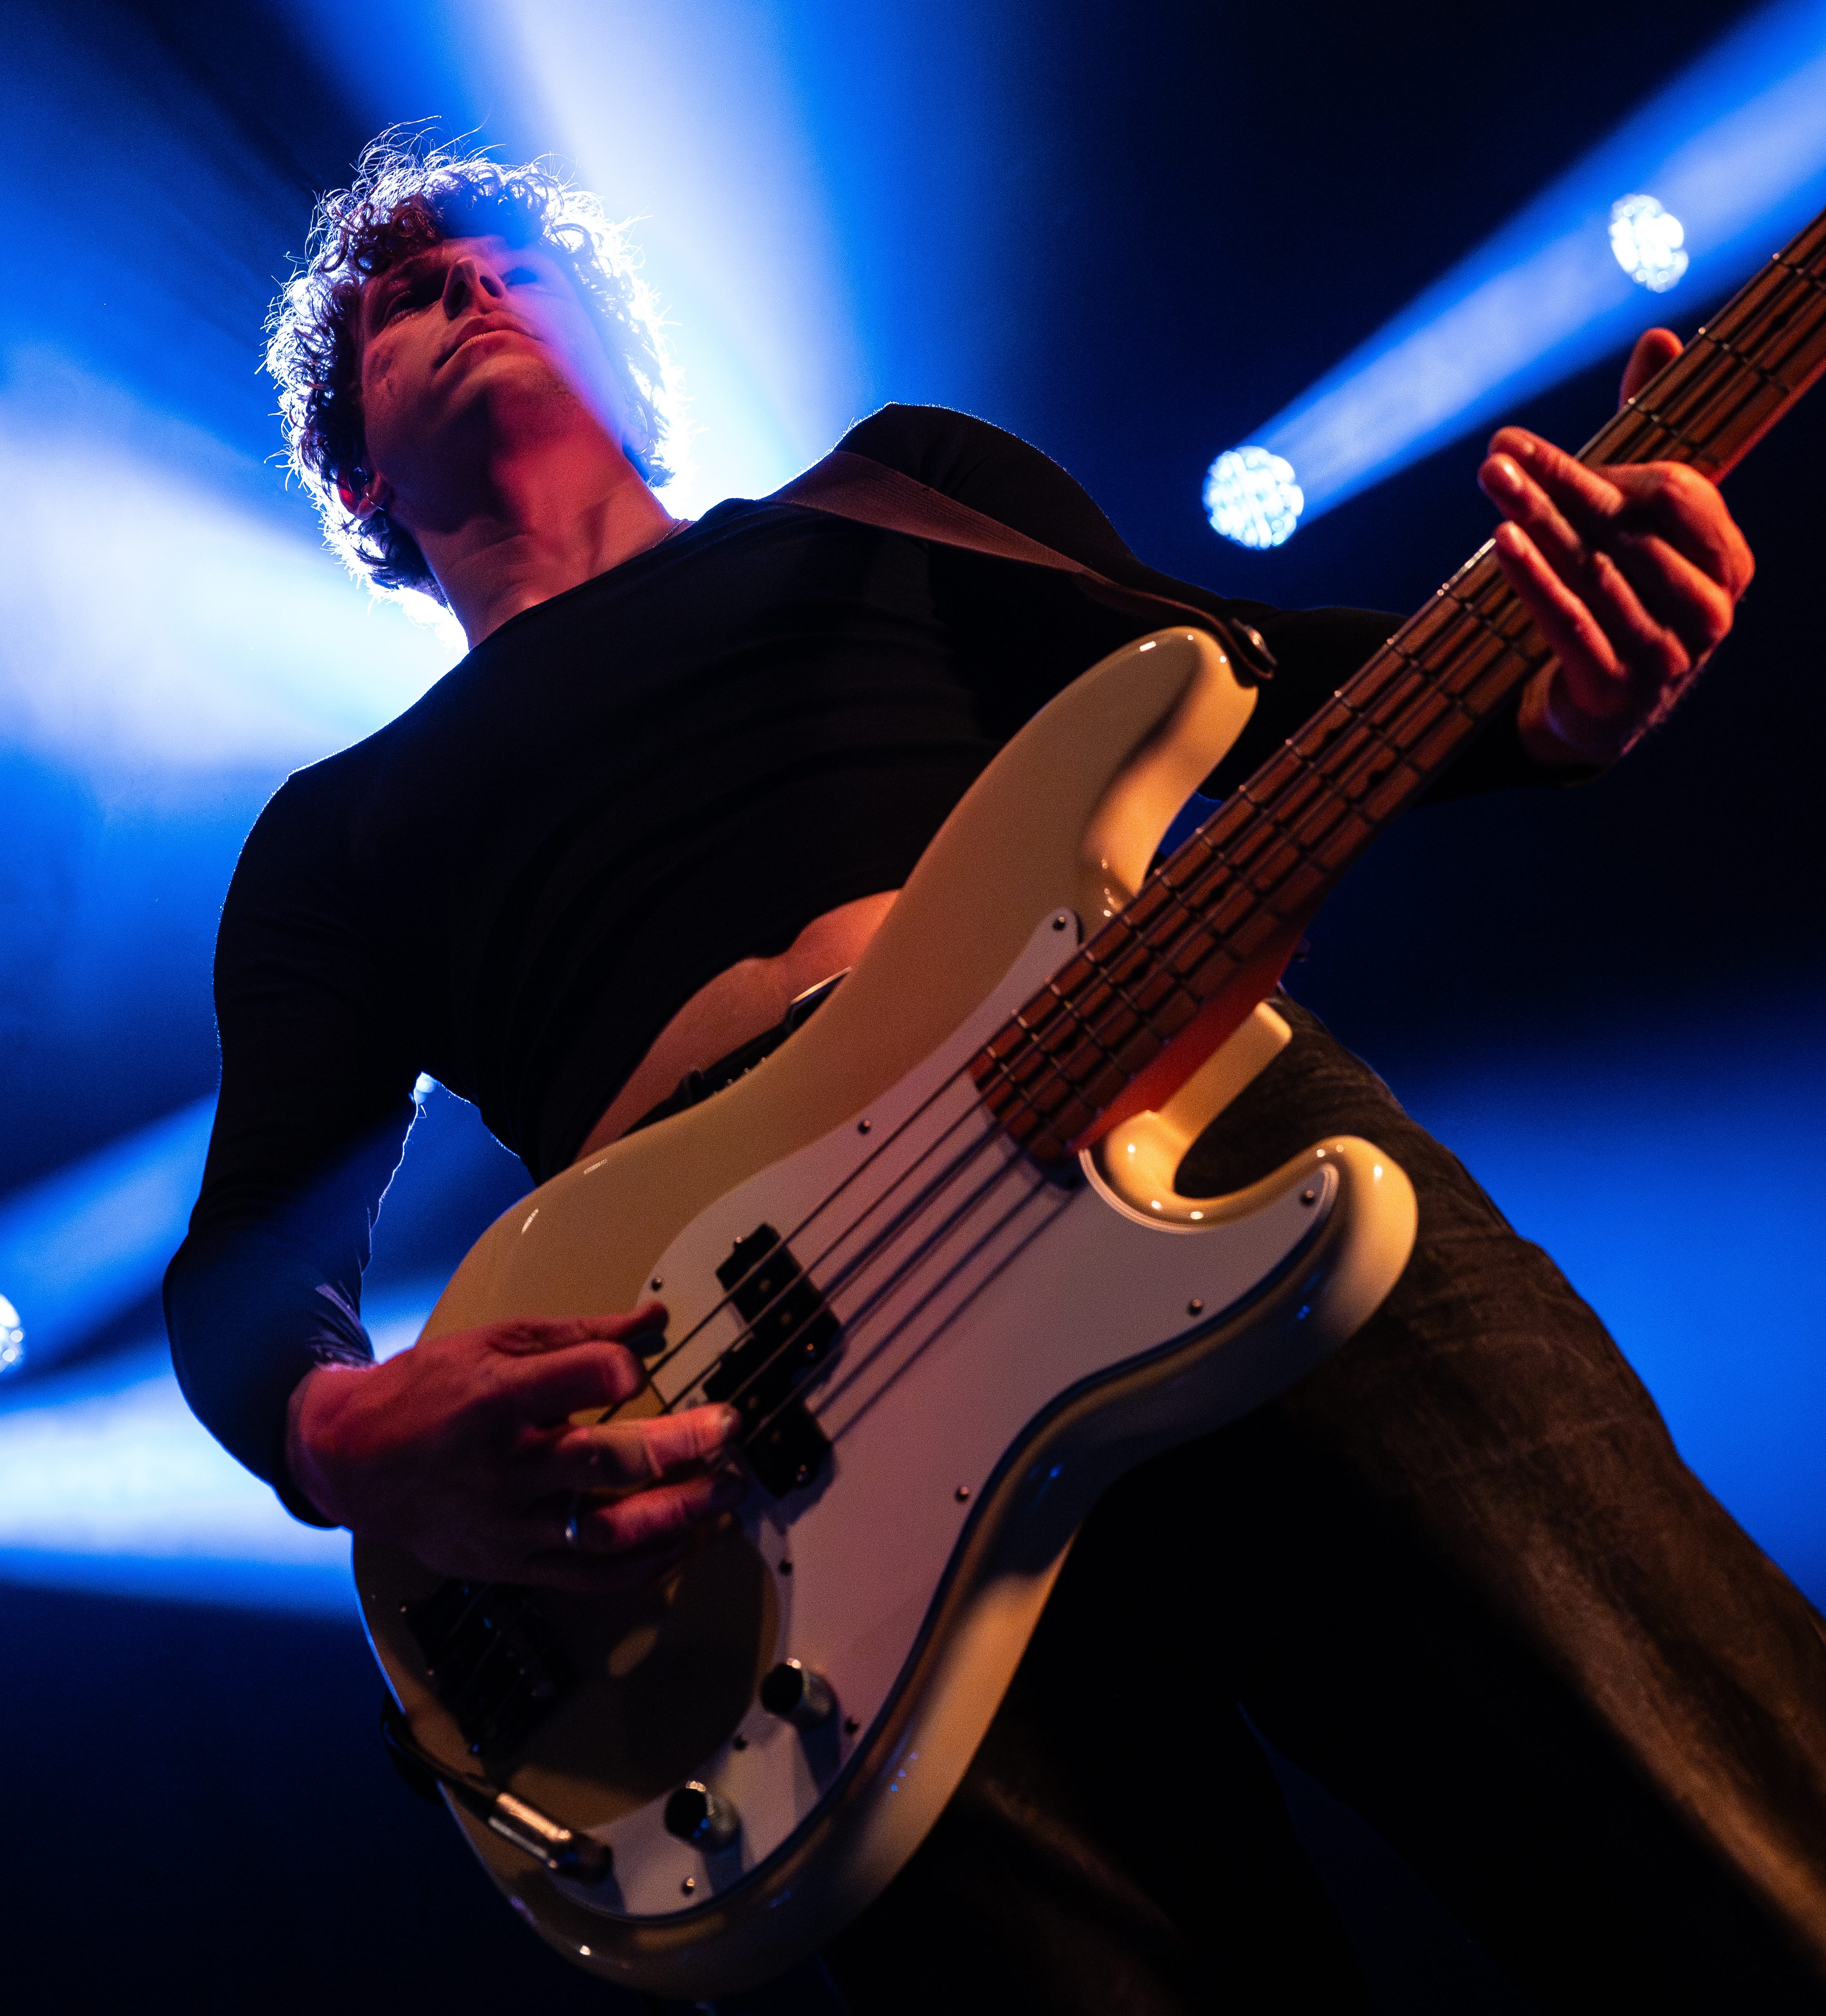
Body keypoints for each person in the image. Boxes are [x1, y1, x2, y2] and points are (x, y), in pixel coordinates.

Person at [165, 138, 1826, 2012]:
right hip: (763, 1449)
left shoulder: (900, 498)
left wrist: (1550, 682)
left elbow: (1271, 682)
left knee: (1685, 1776)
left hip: (1179, 1132)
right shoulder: (334, 837)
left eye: (495, 260)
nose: (457, 286)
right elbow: (250, 1257)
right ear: (361, 482)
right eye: (398, 297)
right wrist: (337, 1436)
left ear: (629, 365)